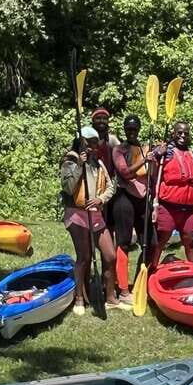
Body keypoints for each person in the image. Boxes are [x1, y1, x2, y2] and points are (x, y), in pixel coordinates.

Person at [60, 126, 124, 315]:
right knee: (85, 256)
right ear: (81, 142)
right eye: (90, 143)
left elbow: (111, 187)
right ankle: (80, 298)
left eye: (96, 143)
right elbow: (68, 188)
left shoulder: (99, 162)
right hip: (77, 214)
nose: (94, 147)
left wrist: (100, 199)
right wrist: (80, 165)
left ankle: (110, 297)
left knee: (110, 255)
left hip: (95, 214)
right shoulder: (70, 160)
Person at [111, 115, 154, 304]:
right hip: (124, 198)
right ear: (124, 130)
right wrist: (145, 160)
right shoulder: (118, 150)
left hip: (143, 199)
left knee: (150, 242)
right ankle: (122, 290)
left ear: (139, 130)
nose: (132, 132)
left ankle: (141, 281)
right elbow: (125, 173)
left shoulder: (145, 148)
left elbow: (153, 174)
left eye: (134, 129)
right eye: (129, 129)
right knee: (124, 242)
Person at [149, 121, 193, 266]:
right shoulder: (166, 152)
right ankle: (150, 271)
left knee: (191, 240)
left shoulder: (192, 154)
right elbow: (152, 170)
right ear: (173, 134)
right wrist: (157, 154)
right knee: (161, 239)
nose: (183, 136)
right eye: (179, 133)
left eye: (186, 133)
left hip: (190, 208)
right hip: (168, 206)